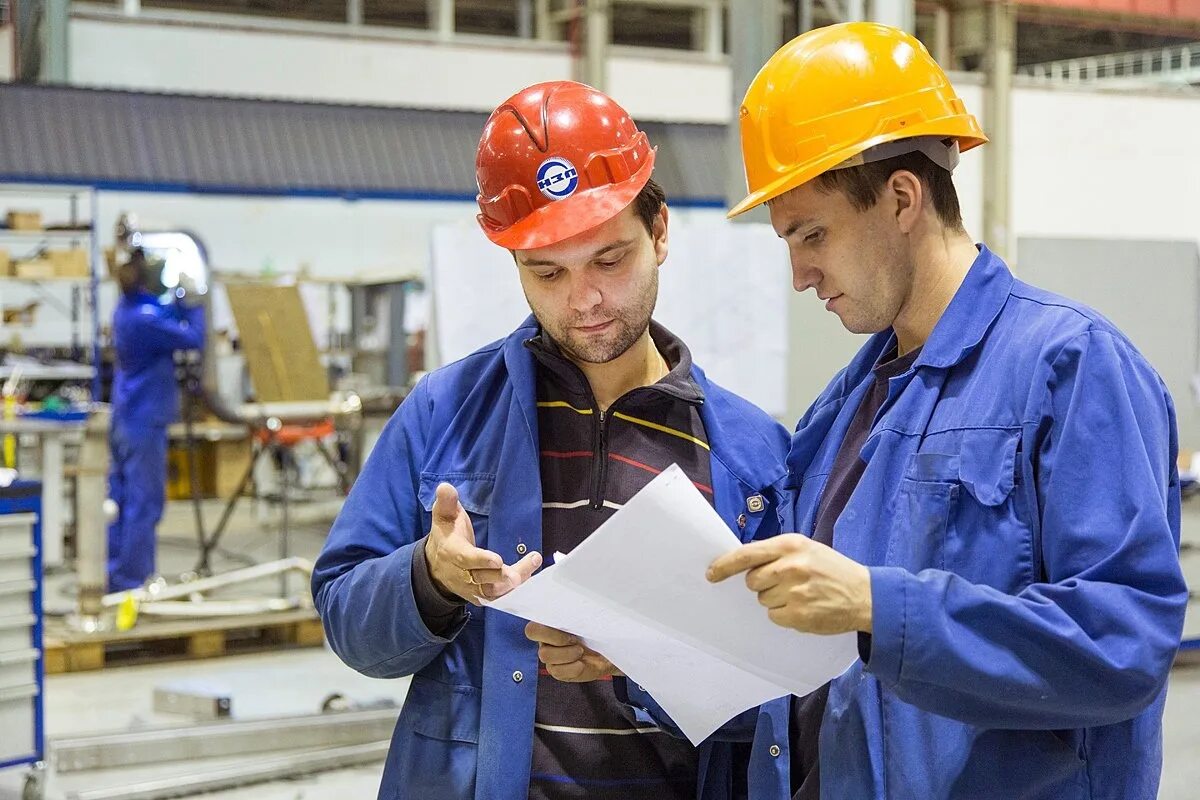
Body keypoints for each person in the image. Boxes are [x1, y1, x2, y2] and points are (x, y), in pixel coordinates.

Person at [705, 22, 1189, 800]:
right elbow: (801, 665)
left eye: (813, 233)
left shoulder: (1071, 367)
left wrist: (878, 606)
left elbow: (1120, 642)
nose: (799, 274)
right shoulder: (844, 411)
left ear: (901, 197)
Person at [312, 80, 793, 800]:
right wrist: (429, 580)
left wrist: (646, 660)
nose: (586, 300)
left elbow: (787, 698)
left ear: (659, 233)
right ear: (513, 264)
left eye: (610, 260)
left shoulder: (754, 457)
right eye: (548, 273)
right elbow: (350, 623)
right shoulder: (444, 413)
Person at [108, 247, 205, 592]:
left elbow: (162, 315)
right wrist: (192, 303)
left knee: (121, 503)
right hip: (144, 421)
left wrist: (176, 301)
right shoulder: (146, 320)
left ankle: (118, 578)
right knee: (144, 504)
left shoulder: (128, 311)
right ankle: (135, 584)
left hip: (125, 416)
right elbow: (192, 339)